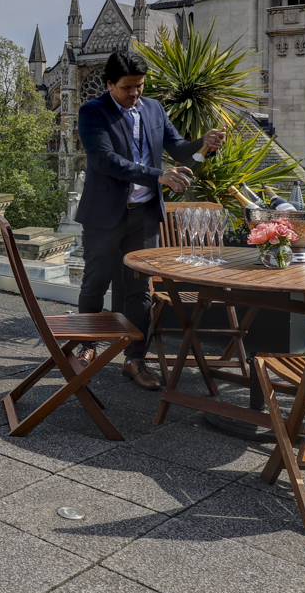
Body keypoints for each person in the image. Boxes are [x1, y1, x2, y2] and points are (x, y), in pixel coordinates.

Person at [75, 49, 224, 390]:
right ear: (109, 83)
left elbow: (178, 147)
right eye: (127, 87)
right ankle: (85, 347)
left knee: (139, 289)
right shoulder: (92, 112)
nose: (135, 93)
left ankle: (134, 360)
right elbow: (104, 161)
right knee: (95, 284)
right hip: (103, 216)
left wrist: (205, 143)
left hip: (143, 216)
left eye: (140, 86)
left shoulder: (154, 108)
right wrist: (159, 175)